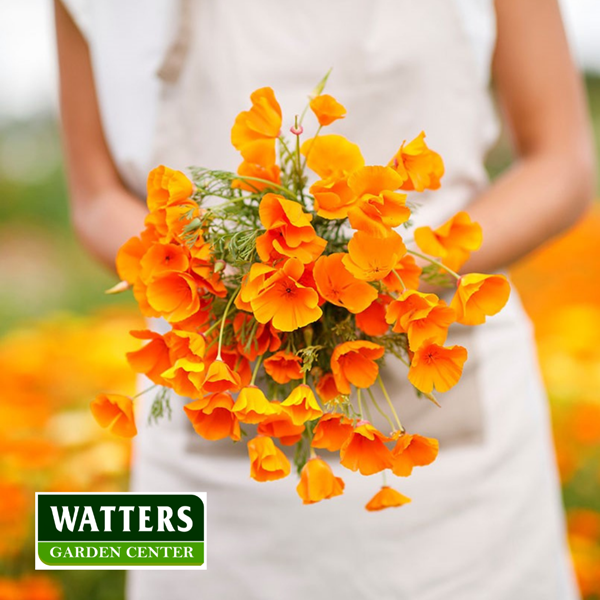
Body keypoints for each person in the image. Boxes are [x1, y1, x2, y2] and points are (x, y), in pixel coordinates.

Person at [55, 0, 595, 598]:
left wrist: (393, 274)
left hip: (458, 447)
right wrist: (223, 282)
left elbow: (561, 164)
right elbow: (96, 199)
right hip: (209, 403)